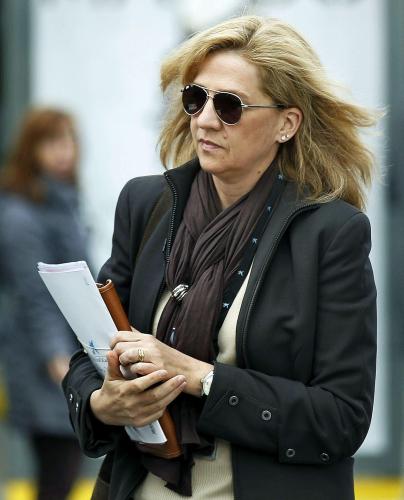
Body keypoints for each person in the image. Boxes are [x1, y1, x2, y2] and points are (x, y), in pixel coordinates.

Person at [62, 16, 377, 500]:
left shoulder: (332, 233)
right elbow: (91, 352)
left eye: (230, 106)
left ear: (287, 124)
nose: (205, 120)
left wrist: (200, 377)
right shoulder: (146, 205)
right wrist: (103, 403)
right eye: (196, 98)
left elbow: (341, 418)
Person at [0, 108, 88, 500]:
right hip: (44, 362)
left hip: (67, 352)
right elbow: (34, 295)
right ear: (30, 149)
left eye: (69, 140)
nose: (64, 151)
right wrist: (57, 357)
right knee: (58, 469)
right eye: (52, 142)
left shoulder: (63, 202)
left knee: (63, 470)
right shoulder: (20, 215)